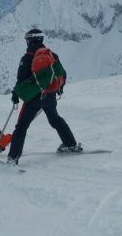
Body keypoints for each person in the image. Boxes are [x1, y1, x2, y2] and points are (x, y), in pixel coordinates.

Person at [7, 28, 81, 165]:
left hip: (34, 98)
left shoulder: (27, 58)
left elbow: (21, 81)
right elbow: (62, 73)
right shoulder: (51, 55)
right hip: (49, 94)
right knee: (55, 119)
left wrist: (15, 95)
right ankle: (70, 144)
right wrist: (58, 89)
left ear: (30, 41)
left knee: (21, 126)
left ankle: (13, 157)